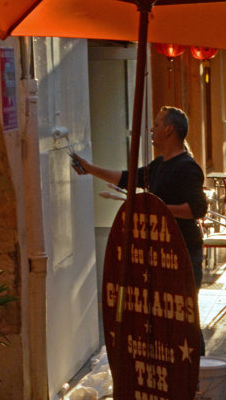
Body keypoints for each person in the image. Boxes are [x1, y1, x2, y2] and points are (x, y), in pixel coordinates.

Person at [70, 105, 209, 289]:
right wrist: (90, 169)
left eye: (156, 125)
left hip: (182, 250)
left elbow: (197, 208)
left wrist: (157, 208)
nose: (152, 129)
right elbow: (128, 178)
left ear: (169, 130)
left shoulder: (187, 168)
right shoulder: (159, 164)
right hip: (160, 250)